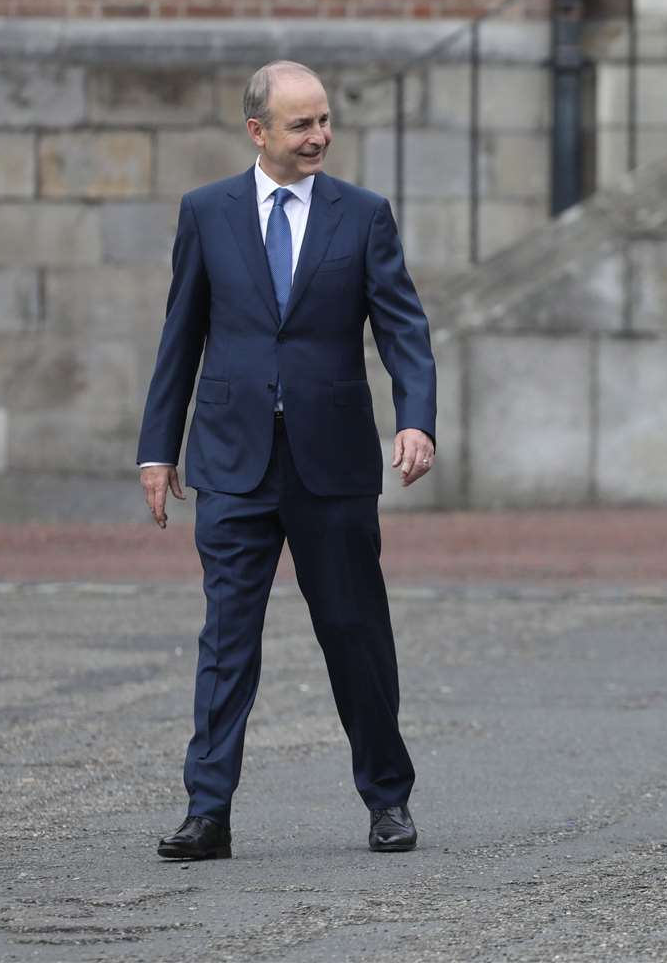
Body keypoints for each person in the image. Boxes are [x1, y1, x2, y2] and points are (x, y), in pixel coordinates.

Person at [136, 60, 438, 860]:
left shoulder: (363, 215)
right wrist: (156, 450)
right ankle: (208, 812)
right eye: (301, 124)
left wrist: (416, 420)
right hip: (232, 461)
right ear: (258, 130)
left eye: (325, 121)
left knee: (354, 632)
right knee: (226, 638)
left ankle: (388, 800)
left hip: (331, 463)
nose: (319, 137)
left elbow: (404, 328)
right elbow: (181, 338)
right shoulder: (206, 213)